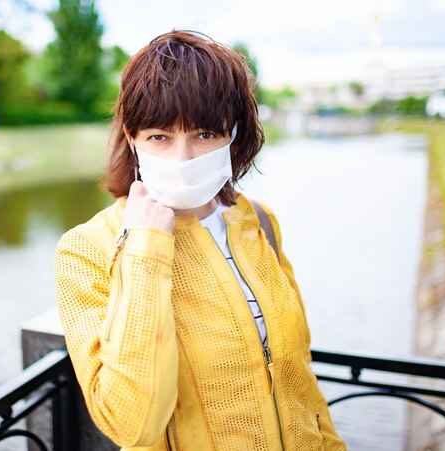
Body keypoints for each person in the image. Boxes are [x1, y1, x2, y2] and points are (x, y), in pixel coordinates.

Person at [55, 30, 346, 450]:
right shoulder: (87, 250)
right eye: (160, 136)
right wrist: (144, 248)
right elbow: (132, 424)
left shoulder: (257, 222)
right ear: (132, 139)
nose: (183, 158)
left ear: (232, 133)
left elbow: (300, 379)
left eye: (204, 134)